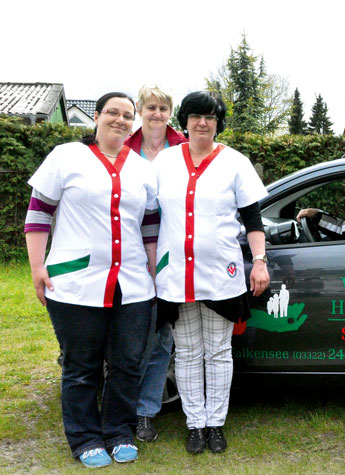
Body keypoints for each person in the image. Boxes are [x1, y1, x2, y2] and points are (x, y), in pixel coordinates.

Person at [25, 92, 156, 467]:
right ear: (96, 117)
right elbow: (38, 214)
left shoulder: (142, 168)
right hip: (75, 282)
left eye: (127, 115)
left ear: (134, 122)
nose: (120, 120)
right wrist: (38, 267)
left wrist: (151, 269)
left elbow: (149, 224)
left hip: (132, 285)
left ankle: (118, 431)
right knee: (82, 366)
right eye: (112, 112)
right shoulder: (67, 157)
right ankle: (84, 437)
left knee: (128, 363)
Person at [153, 90, 269, 455]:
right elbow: (147, 215)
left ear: (219, 122)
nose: (203, 123)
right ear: (184, 121)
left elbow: (252, 218)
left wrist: (260, 260)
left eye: (211, 117)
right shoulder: (165, 162)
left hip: (221, 272)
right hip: (176, 275)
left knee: (218, 351)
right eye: (196, 116)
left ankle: (216, 423)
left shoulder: (235, 162)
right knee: (187, 352)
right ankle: (195, 424)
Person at [124, 85, 188, 443]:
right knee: (128, 338)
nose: (157, 114)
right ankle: (121, 409)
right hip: (127, 251)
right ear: (139, 109)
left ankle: (146, 412)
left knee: (162, 335)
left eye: (164, 108)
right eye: (151, 106)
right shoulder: (123, 146)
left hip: (171, 252)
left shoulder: (182, 148)